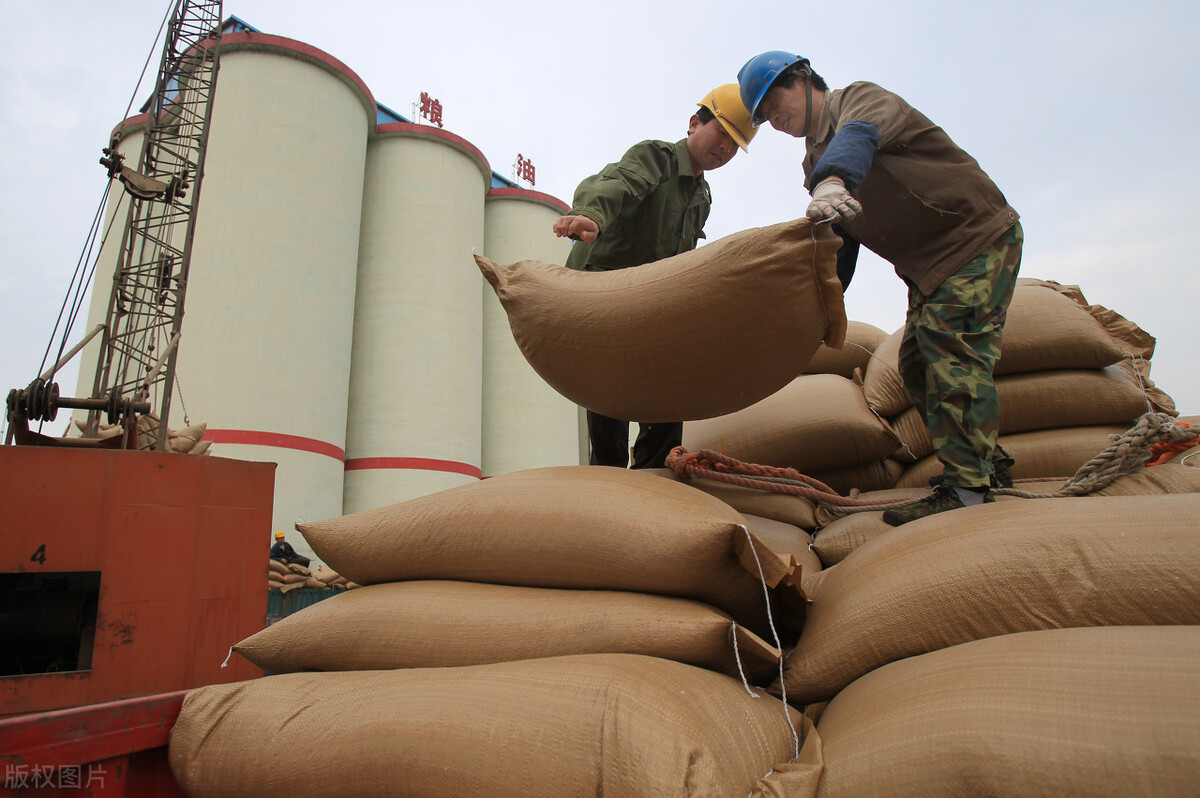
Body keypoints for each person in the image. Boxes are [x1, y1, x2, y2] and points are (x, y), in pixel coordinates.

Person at [737, 51, 1021, 525]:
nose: (774, 117)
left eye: (774, 100)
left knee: (948, 345)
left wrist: (832, 180)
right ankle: (986, 466)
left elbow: (859, 136)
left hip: (974, 238)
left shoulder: (859, 101)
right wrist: (817, 310)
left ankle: (969, 489)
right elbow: (842, 245)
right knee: (915, 365)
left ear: (802, 77)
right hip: (929, 268)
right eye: (763, 115)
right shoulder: (815, 163)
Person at [553, 84, 756, 469]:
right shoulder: (656, 158)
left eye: (735, 144)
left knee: (669, 388)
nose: (725, 148)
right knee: (609, 400)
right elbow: (618, 184)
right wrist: (592, 216)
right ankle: (607, 480)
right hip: (606, 291)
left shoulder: (702, 197)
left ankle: (656, 478)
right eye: (722, 133)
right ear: (694, 123)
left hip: (650, 303)